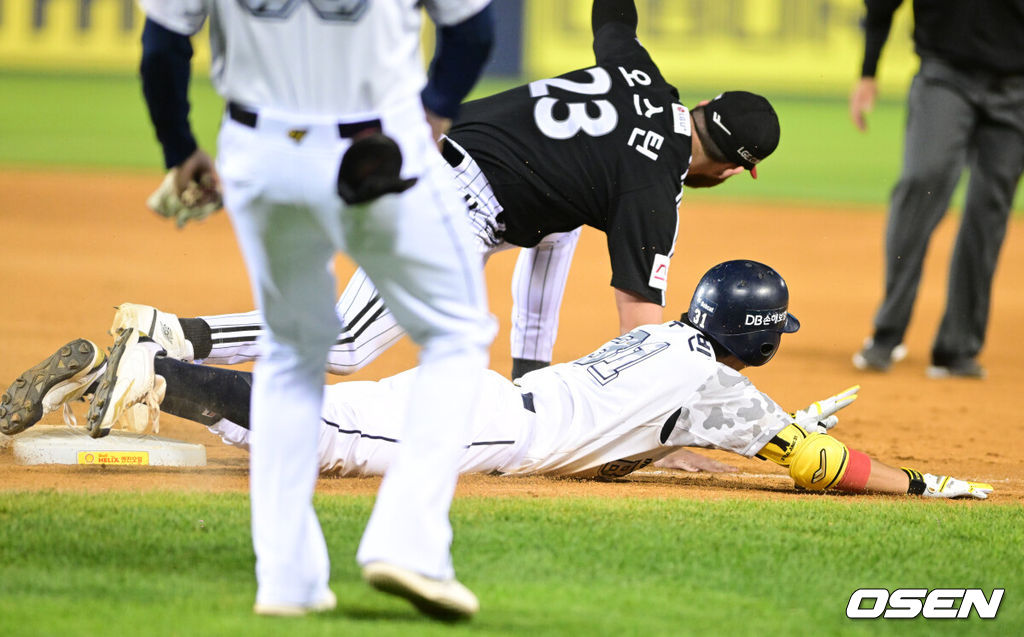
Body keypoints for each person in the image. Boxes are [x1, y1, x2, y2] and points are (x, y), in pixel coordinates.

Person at [108, 0, 779, 473]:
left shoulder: (639, 74)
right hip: (452, 197)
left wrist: (531, 377)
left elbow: (614, 16)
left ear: (705, 106)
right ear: (736, 167)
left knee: (550, 227)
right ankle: (170, 338)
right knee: (346, 342)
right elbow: (645, 332)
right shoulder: (650, 189)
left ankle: (173, 337)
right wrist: (661, 422)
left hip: (455, 167)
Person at [2, 260, 993, 503]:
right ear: (760, 336)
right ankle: (152, 370)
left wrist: (718, 444)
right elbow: (819, 462)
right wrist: (916, 484)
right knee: (320, 437)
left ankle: (142, 373)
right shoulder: (728, 393)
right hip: (488, 430)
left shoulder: (671, 354)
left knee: (319, 423)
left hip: (480, 399)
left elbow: (627, 447)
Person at [117, 0, 499, 621]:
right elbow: (474, 31)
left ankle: (286, 579)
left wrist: (178, 146)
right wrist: (432, 113)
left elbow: (163, 46)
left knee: (294, 352)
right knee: (454, 335)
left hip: (260, 152)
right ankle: (410, 544)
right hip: (379, 146)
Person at [850, 0, 1024, 378]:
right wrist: (868, 72)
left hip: (1018, 88)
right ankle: (887, 333)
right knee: (921, 183)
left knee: (989, 209)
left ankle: (957, 347)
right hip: (945, 75)